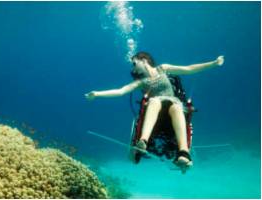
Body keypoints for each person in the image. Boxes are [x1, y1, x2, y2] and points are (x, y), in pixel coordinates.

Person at [85, 52, 224, 169]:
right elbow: (120, 91)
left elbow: (188, 69)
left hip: (173, 108)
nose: (133, 68)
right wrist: (96, 94)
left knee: (176, 106)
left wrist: (213, 63)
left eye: (134, 63)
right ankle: (143, 141)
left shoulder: (163, 68)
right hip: (154, 111)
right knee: (154, 101)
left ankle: (183, 152)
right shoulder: (140, 82)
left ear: (144, 60)